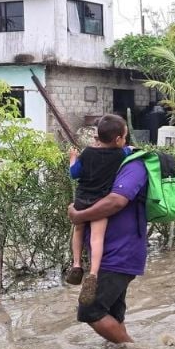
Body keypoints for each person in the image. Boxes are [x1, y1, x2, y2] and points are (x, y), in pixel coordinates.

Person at [66, 114, 148, 343]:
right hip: (109, 253)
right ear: (121, 139)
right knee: (113, 312)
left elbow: (116, 202)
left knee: (90, 310)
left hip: (120, 254)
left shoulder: (134, 166)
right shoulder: (121, 156)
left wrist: (78, 215)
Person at [65, 114, 131, 306]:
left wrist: (72, 158)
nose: (125, 140)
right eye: (125, 136)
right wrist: (129, 148)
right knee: (97, 238)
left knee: (78, 230)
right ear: (118, 139)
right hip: (100, 203)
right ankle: (93, 274)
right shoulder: (121, 154)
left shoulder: (87, 153)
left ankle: (76, 264)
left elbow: (73, 174)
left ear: (98, 137)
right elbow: (129, 151)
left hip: (81, 199)